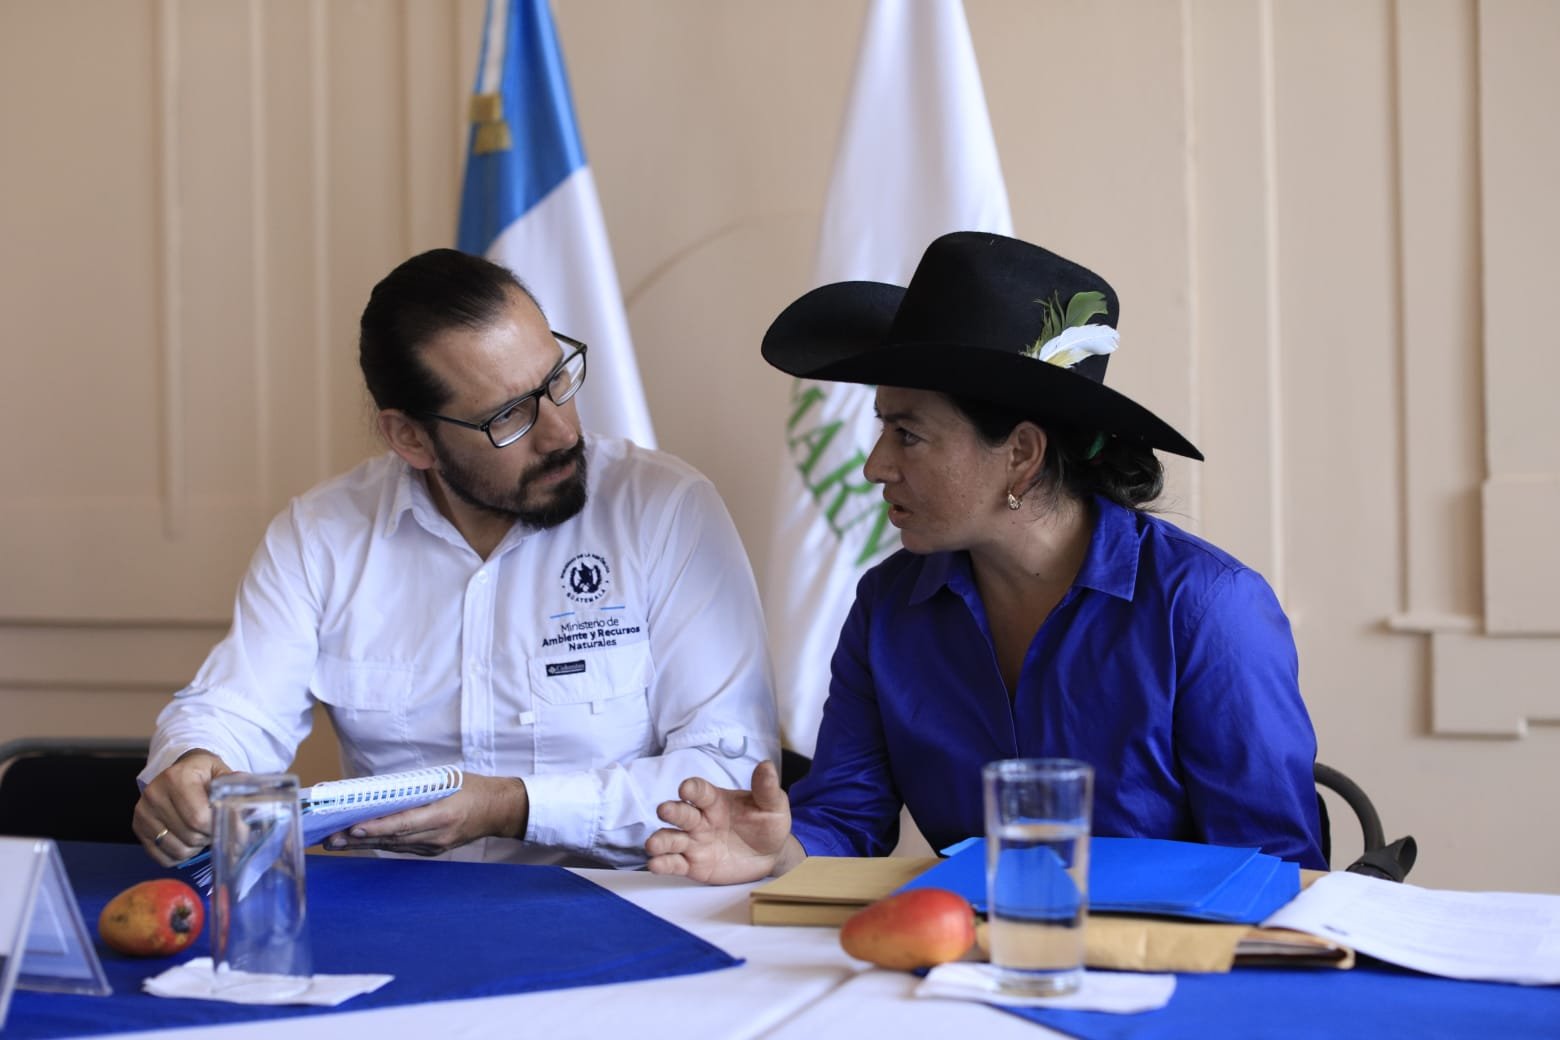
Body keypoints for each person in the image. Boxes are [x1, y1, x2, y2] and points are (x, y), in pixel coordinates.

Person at [646, 231, 1327, 883]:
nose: (875, 467)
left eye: (907, 434)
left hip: (1171, 976)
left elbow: (1275, 872)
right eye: (884, 429)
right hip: (962, 970)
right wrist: (778, 851)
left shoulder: (1207, 610)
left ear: (1022, 455)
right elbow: (848, 821)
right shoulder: (887, 608)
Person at [134, 248, 778, 869]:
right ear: (411, 437)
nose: (561, 432)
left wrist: (513, 806)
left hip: (618, 907)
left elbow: (727, 775)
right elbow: (236, 708)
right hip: (395, 922)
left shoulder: (664, 510)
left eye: (558, 380)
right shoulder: (323, 535)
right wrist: (195, 763)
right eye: (509, 417)